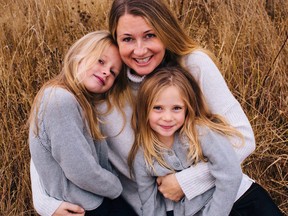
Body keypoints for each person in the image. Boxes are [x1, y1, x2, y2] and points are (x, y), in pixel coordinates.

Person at [30, 0, 259, 215]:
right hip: (154, 210)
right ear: (116, 40)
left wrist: (187, 182)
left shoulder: (192, 65)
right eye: (128, 39)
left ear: (165, 32)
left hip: (227, 196)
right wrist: (46, 203)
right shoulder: (104, 85)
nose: (140, 51)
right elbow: (54, 138)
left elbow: (244, 139)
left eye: (150, 35)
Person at [129, 66, 283, 216]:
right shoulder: (143, 157)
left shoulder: (200, 132)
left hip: (243, 201)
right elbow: (151, 207)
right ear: (144, 110)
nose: (167, 117)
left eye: (176, 108)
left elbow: (230, 173)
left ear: (187, 109)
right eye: (158, 108)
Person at [28, 30, 137, 216]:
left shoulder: (80, 102)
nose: (105, 72)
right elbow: (80, 169)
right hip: (85, 206)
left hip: (90, 200)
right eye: (101, 61)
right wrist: (116, 187)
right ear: (79, 55)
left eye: (113, 72)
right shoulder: (61, 100)